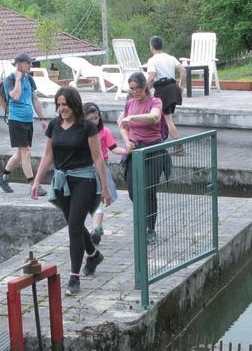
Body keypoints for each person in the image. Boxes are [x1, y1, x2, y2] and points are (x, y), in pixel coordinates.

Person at [30, 87, 111, 296]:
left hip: (84, 180)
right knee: (75, 224)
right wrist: (37, 181)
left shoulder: (87, 126)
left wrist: (105, 187)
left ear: (74, 104)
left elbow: (97, 157)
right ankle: (93, 254)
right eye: (58, 104)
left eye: (65, 104)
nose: (61, 108)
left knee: (74, 225)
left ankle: (74, 277)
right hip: (61, 181)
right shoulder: (54, 125)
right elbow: (48, 155)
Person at [119, 72, 167, 244]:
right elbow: (123, 126)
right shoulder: (129, 103)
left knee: (149, 190)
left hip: (152, 150)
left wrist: (133, 117)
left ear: (144, 87)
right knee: (133, 190)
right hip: (135, 150)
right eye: (132, 89)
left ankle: (150, 228)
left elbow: (154, 117)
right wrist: (127, 141)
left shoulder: (155, 102)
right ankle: (142, 221)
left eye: (138, 88)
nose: (135, 92)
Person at [0, 52, 48, 194]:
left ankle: (2, 177)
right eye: (28, 63)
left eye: (31, 62)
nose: (31, 65)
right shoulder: (10, 80)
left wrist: (42, 118)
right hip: (16, 120)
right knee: (26, 151)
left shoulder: (29, 79)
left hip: (28, 120)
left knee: (20, 153)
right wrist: (18, 79)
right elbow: (15, 96)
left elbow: (35, 99)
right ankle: (34, 184)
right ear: (19, 65)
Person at [84, 102, 126, 245]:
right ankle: (98, 226)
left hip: (101, 167)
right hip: (85, 169)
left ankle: (96, 228)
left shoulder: (104, 132)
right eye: (90, 119)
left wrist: (127, 151)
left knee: (99, 198)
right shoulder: (81, 133)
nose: (94, 121)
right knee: (90, 198)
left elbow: (114, 148)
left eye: (96, 118)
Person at [145, 36, 184, 140]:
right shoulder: (171, 58)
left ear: (151, 46)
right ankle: (161, 139)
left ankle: (178, 144)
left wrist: (146, 91)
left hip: (163, 91)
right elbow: (183, 71)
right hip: (173, 89)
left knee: (168, 120)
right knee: (163, 117)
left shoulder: (152, 60)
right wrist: (181, 87)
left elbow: (151, 77)